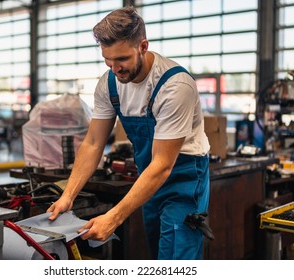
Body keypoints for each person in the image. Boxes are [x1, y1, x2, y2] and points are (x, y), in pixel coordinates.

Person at [47, 6, 210, 260]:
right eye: (107, 60)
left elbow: (164, 165)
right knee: (158, 251)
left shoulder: (175, 86)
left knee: (176, 258)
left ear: (143, 46)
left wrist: (113, 217)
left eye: (121, 59)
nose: (114, 68)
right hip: (149, 179)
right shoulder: (109, 84)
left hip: (184, 180)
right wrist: (68, 195)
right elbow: (92, 143)